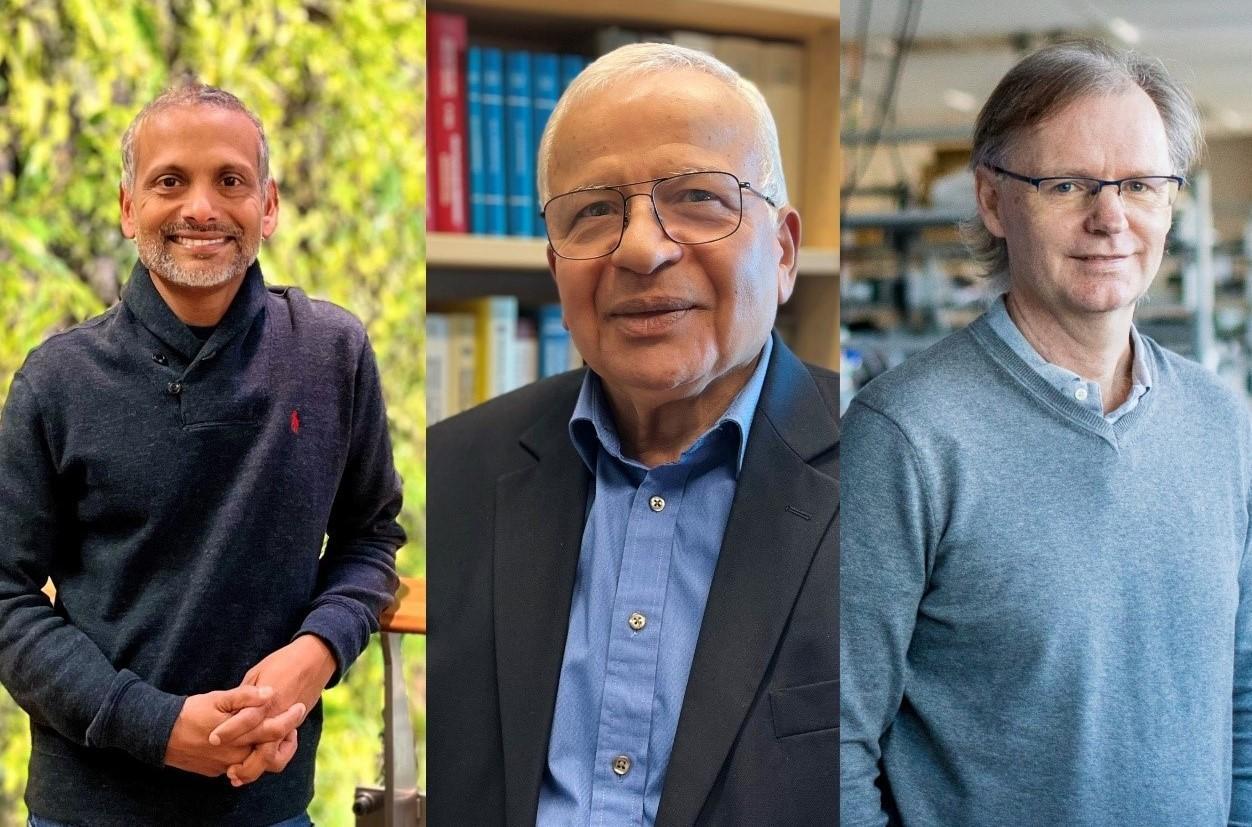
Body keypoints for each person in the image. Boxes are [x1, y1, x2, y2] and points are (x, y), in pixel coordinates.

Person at [840, 39, 1251, 825]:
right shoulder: (906, 434)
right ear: (992, 201)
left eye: (1140, 184)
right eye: (1067, 184)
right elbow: (836, 738)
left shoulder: (1224, 423)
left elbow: (1246, 694)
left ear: (1171, 200)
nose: (1111, 218)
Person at [428, 43, 838, 826]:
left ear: (783, 252)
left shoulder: (891, 473)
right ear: (556, 266)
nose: (643, 248)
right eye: (593, 211)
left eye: (698, 199)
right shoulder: (451, 472)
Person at [0, 83, 405, 826]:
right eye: (168, 182)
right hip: (88, 811)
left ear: (269, 205)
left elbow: (372, 536)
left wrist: (315, 656)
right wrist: (154, 725)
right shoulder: (58, 379)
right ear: (128, 208)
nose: (200, 208)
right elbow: (5, 596)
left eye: (230, 180)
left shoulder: (330, 353)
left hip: (270, 804)